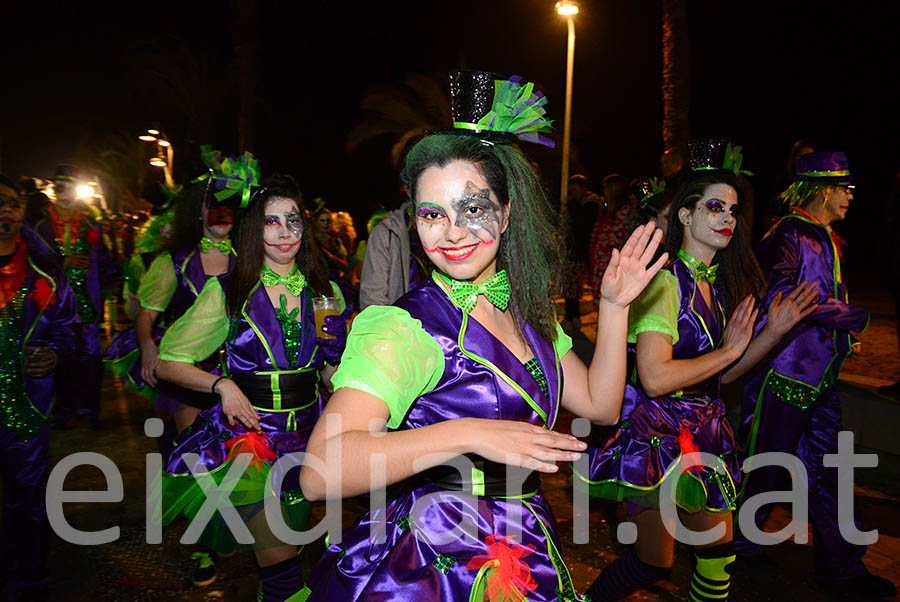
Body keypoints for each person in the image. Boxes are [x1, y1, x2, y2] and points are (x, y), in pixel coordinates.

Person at [298, 69, 665, 602]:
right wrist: (467, 432)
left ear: (508, 212)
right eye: (431, 214)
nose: (451, 232)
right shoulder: (404, 327)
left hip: (526, 541)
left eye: (473, 209)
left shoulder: (528, 313)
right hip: (437, 559)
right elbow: (320, 472)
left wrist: (613, 309)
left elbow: (602, 406)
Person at [575, 140, 817, 602]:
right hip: (656, 437)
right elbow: (657, 378)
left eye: (732, 209)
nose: (728, 217)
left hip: (704, 430)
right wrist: (726, 354)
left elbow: (719, 374)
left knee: (718, 555)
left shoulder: (716, 286)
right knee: (653, 562)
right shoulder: (666, 282)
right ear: (684, 216)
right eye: (714, 207)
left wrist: (771, 334)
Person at [155, 173, 348, 601]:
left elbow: (331, 380)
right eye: (271, 222)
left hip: (311, 440)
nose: (284, 234)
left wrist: (338, 357)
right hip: (251, 444)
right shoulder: (226, 293)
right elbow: (170, 361)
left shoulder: (326, 291)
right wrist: (222, 384)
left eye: (293, 221)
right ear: (252, 230)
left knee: (297, 555)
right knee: (282, 573)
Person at [735, 150, 897, 598]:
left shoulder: (821, 237)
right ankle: (731, 548)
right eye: (845, 188)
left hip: (818, 379)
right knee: (763, 470)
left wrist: (840, 339)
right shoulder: (788, 235)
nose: (850, 196)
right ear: (823, 188)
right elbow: (783, 296)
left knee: (831, 474)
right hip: (783, 379)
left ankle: (841, 568)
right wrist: (854, 317)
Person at [0, 173, 78, 600]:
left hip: (27, 410)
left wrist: (56, 354)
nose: (4, 211)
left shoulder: (45, 273)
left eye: (11, 203)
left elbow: (71, 330)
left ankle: (27, 580)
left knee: (27, 500)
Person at [26, 164, 119, 428]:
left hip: (86, 303)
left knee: (89, 358)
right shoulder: (37, 225)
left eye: (69, 188)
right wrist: (61, 261)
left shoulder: (90, 224)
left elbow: (102, 258)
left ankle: (89, 410)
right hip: (51, 306)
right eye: (59, 187)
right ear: (54, 190)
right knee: (57, 358)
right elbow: (28, 260)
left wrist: (109, 286)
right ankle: (62, 411)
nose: (64, 193)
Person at [358, 200, 428, 309]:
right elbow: (373, 297)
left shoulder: (451, 230)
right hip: (400, 322)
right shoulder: (388, 232)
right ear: (406, 188)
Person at [562, 173, 601, 329]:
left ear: (584, 188)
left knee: (578, 285)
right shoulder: (571, 205)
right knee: (569, 284)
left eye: (576, 188)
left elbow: (584, 225)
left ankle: (575, 316)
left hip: (587, 249)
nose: (573, 191)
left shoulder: (592, 205)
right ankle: (570, 316)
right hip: (571, 249)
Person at [588, 174, 633, 305]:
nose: (604, 192)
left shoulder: (623, 210)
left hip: (610, 262)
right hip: (600, 261)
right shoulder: (607, 209)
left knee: (607, 299)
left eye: (606, 188)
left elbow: (614, 237)